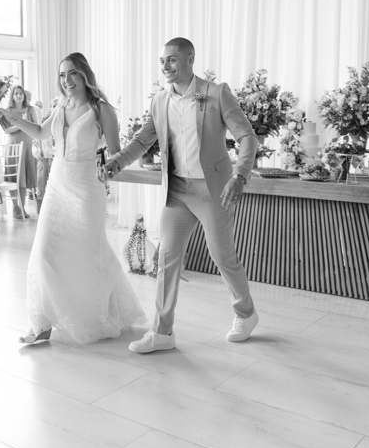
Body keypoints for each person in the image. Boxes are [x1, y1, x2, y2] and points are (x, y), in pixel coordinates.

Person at [105, 38, 260, 353]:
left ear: (190, 60)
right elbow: (143, 139)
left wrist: (239, 177)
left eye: (172, 60)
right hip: (176, 191)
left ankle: (246, 313)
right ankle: (162, 332)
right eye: (162, 60)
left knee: (222, 256)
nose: (165, 66)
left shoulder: (216, 94)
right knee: (167, 259)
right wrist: (117, 162)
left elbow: (247, 137)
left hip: (211, 190)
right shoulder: (160, 101)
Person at [0, 52, 146, 345]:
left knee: (89, 254)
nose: (67, 81)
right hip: (57, 183)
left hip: (87, 185)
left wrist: (111, 168)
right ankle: (41, 323)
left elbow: (118, 152)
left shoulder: (101, 110)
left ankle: (101, 313)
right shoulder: (61, 104)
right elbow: (40, 133)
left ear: (85, 75)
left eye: (72, 74)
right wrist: (15, 119)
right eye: (62, 75)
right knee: (44, 250)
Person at [2, 85, 39, 219]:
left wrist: (24, 122)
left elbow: (37, 127)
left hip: (27, 146)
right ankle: (15, 207)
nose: (18, 96)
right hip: (12, 147)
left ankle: (21, 207)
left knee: (23, 178)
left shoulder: (31, 109)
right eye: (16, 93)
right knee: (14, 179)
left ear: (24, 96)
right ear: (12, 96)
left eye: (21, 93)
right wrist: (20, 123)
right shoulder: (7, 111)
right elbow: (6, 130)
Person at [33, 96, 60, 214]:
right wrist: (39, 150)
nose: (55, 108)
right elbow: (36, 140)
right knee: (41, 184)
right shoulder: (44, 121)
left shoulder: (62, 123)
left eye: (57, 106)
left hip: (56, 159)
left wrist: (53, 148)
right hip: (43, 158)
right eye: (53, 106)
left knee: (55, 186)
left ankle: (54, 211)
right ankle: (41, 211)